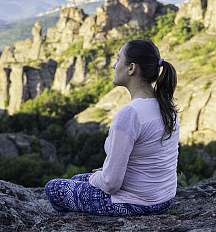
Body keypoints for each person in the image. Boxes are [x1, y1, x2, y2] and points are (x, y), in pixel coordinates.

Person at [45, 39, 180, 216]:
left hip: (136, 203)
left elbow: (111, 183)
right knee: (77, 179)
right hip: (164, 198)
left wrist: (101, 176)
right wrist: (108, 171)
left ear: (131, 68)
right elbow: (151, 156)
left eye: (118, 59)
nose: (114, 66)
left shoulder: (130, 114)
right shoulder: (166, 106)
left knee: (53, 188)